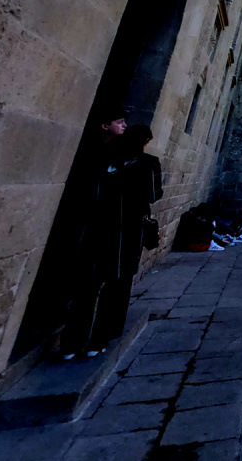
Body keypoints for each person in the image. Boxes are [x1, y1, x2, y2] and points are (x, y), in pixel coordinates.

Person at [62, 125, 163, 359]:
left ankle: (71, 344)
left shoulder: (103, 158)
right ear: (145, 141)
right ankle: (99, 341)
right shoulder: (147, 163)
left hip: (94, 231)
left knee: (86, 289)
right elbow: (153, 194)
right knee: (116, 288)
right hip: (124, 234)